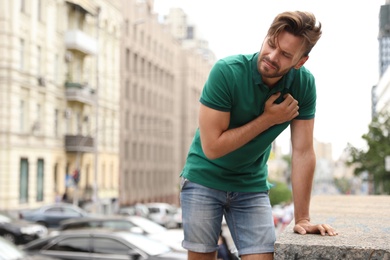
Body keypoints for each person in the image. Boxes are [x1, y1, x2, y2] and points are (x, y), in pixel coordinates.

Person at [179, 10, 338, 260]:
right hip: (204, 178)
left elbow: (303, 151)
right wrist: (268, 119)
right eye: (271, 44)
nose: (272, 56)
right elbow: (212, 147)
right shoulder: (227, 72)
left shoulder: (304, 84)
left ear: (300, 61)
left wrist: (303, 218)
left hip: (250, 185)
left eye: (285, 54)